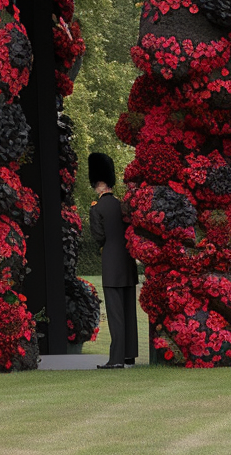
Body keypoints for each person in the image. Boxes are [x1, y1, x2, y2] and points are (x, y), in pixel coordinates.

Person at [88, 152, 138, 369]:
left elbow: (99, 236)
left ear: (98, 184)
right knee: (128, 310)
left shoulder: (96, 208)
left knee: (115, 312)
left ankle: (116, 359)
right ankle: (129, 354)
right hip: (127, 260)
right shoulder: (122, 205)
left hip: (110, 261)